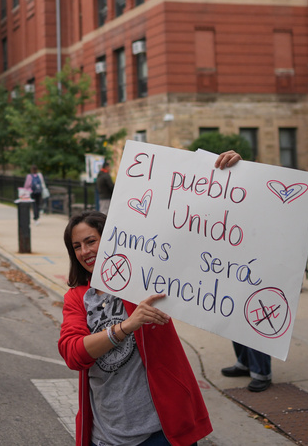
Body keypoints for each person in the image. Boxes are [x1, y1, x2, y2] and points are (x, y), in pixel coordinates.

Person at [58, 150, 242, 446]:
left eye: (91, 241)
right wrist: (126, 327)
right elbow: (73, 353)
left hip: (161, 431)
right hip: (106, 434)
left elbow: (191, 230)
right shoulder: (78, 298)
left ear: (112, 236)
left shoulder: (144, 276)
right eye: (76, 246)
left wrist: (225, 177)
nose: (85, 251)